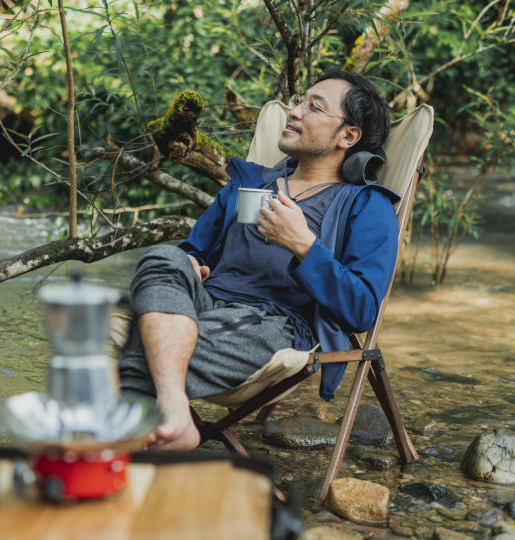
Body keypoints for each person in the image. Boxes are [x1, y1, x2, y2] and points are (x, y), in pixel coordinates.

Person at [117, 70, 398, 450]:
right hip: (203, 304)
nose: (294, 111)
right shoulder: (248, 184)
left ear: (348, 136)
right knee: (163, 256)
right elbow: (191, 251)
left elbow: (362, 308)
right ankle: (172, 412)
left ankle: (140, 433)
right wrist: (192, 265)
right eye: (299, 100)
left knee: (139, 342)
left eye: (313, 107)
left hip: (273, 324)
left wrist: (304, 245)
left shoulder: (365, 206)